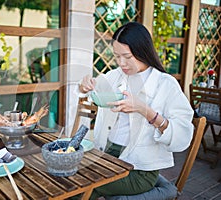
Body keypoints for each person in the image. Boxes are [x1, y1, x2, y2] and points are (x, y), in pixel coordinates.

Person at [77, 22, 194, 199]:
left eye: (127, 56)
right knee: (67, 175)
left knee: (82, 187)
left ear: (142, 51)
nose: (121, 63)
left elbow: (183, 138)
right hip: (106, 156)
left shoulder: (166, 84)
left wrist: (144, 110)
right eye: (117, 56)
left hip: (140, 170)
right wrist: (84, 87)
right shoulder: (115, 76)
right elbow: (92, 92)